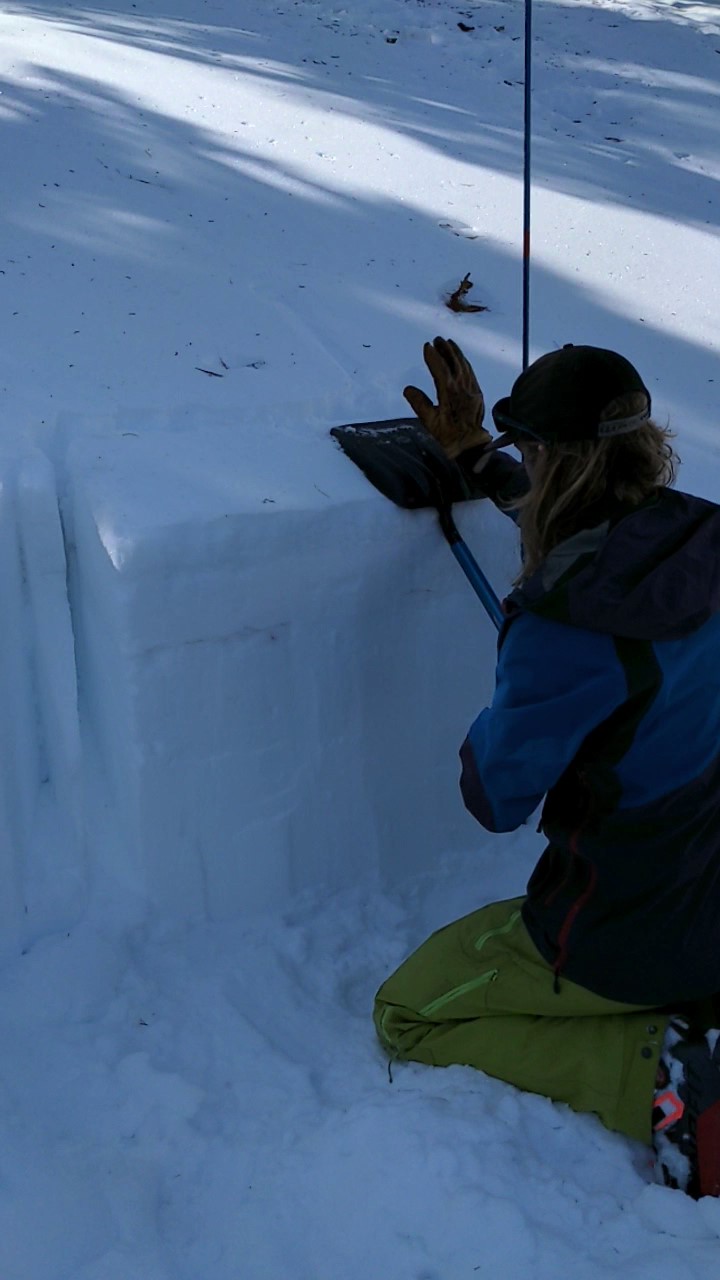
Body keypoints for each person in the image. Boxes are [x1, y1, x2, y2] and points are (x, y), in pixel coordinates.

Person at [373, 337, 720, 1198]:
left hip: (626, 928)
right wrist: (482, 465)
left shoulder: (561, 631)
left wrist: (514, 690)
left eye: (530, 456)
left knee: (408, 1011)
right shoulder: (702, 536)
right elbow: (610, 544)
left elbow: (495, 797)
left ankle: (664, 1078)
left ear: (555, 463)